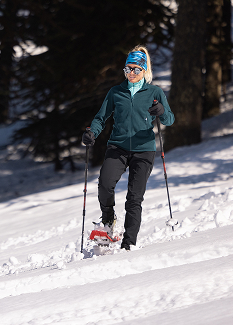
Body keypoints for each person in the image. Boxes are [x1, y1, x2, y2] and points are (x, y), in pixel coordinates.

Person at [82, 45, 174, 251]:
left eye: (135, 69)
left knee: (134, 197)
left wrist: (161, 111)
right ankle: (108, 220)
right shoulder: (116, 92)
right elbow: (100, 117)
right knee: (105, 184)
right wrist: (91, 132)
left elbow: (169, 119)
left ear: (143, 70)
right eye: (127, 69)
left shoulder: (154, 92)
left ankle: (129, 243)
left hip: (144, 149)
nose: (131, 73)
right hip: (118, 147)